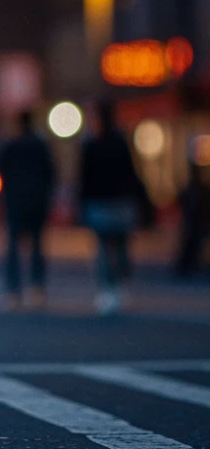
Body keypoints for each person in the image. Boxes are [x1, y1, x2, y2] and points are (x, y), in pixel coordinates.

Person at [79, 102, 151, 314]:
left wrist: (82, 203)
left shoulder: (91, 144)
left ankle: (108, 290)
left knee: (103, 247)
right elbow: (132, 172)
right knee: (120, 246)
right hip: (121, 201)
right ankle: (119, 286)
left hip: (101, 202)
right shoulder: (120, 142)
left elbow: (85, 178)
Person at [0, 110, 55, 309]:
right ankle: (37, 290)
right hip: (38, 202)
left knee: (13, 248)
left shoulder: (11, 146)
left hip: (15, 203)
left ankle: (13, 292)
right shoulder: (41, 145)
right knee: (37, 246)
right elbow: (50, 174)